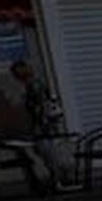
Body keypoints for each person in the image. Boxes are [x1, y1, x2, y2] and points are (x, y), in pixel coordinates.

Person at [9, 60, 76, 189]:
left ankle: (60, 178)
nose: (17, 77)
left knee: (49, 152)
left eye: (17, 74)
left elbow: (39, 107)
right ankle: (60, 177)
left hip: (43, 126)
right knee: (47, 152)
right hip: (43, 125)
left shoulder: (33, 86)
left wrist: (39, 124)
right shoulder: (33, 84)